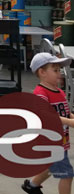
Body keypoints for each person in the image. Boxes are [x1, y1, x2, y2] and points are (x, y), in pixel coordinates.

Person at [22, 52, 74, 194]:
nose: (59, 73)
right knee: (67, 175)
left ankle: (31, 185)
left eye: (59, 70)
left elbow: (64, 111)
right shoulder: (40, 93)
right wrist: (69, 122)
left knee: (52, 167)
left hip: (60, 139)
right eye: (55, 70)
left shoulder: (59, 92)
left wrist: (71, 117)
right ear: (42, 72)